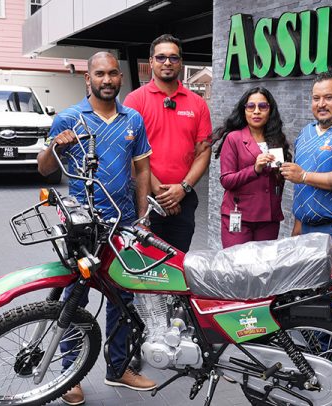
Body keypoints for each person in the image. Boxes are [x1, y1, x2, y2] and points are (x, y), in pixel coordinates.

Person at [37, 52, 157, 405]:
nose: (107, 80)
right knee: (75, 299)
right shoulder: (69, 118)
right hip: (81, 229)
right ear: (87, 79)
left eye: (112, 74)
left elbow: (143, 172)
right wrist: (55, 145)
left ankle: (117, 368)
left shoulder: (133, 118)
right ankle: (69, 375)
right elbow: (44, 169)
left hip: (122, 226)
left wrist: (141, 218)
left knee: (123, 299)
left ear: (121, 78)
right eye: (99, 74)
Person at [123, 34, 212, 253]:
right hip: (144, 198)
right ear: (151, 61)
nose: (167, 63)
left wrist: (182, 188)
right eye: (161, 57)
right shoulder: (135, 100)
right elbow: (130, 152)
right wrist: (160, 193)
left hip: (183, 199)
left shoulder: (197, 104)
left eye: (173, 58)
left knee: (178, 265)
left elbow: (203, 152)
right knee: (143, 266)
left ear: (181, 63)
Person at [279, 71, 332, 244]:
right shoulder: (305, 132)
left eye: (328, 97)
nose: (321, 104)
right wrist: (298, 224)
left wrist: (303, 176)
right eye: (316, 98)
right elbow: (301, 188)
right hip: (305, 229)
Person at [212, 87, 290, 248]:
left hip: (269, 218)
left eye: (262, 106)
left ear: (270, 110)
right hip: (239, 215)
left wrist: (285, 171)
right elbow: (226, 180)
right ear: (244, 110)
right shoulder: (234, 139)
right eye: (251, 107)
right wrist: (255, 169)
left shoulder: (276, 139)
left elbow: (278, 180)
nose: (256, 111)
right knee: (238, 267)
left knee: (263, 269)